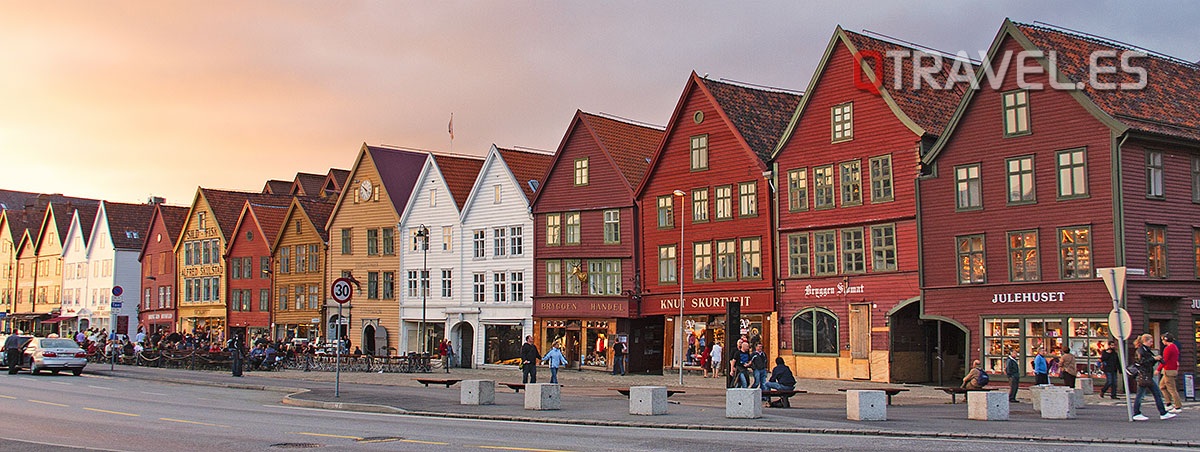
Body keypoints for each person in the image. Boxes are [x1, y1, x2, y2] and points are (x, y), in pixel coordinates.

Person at [1132, 333, 1175, 421]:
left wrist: (1156, 359)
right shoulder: (1141, 350)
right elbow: (1142, 362)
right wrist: (1154, 359)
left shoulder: (1146, 350)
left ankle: (1162, 412)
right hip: (1144, 375)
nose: (1151, 343)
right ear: (1145, 341)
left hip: (1147, 375)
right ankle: (1137, 413)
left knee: (1154, 394)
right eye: (1150, 341)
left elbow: (1148, 362)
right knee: (1142, 395)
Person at [1157, 334, 1182, 414]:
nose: (1162, 341)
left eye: (1162, 340)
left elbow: (1165, 360)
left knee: (1172, 389)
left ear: (1165, 340)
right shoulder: (1174, 347)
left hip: (1168, 370)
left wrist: (1158, 369)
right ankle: (1168, 403)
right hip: (1172, 369)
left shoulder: (1168, 348)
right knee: (1162, 386)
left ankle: (1177, 406)